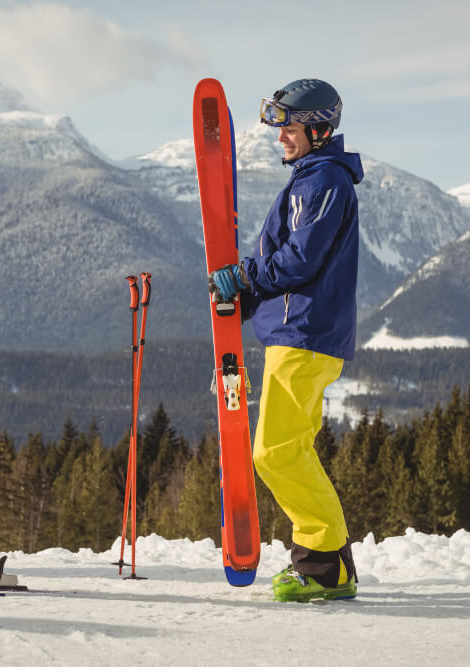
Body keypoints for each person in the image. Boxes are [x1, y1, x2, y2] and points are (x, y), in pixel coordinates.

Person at [209, 78, 363, 602]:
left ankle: (323, 567)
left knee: (276, 453)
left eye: (289, 127)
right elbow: (291, 254)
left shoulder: (323, 184)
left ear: (318, 130)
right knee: (289, 450)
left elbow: (301, 259)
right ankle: (330, 565)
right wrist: (247, 285)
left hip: (306, 335)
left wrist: (248, 281)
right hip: (300, 333)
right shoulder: (313, 179)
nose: (280, 137)